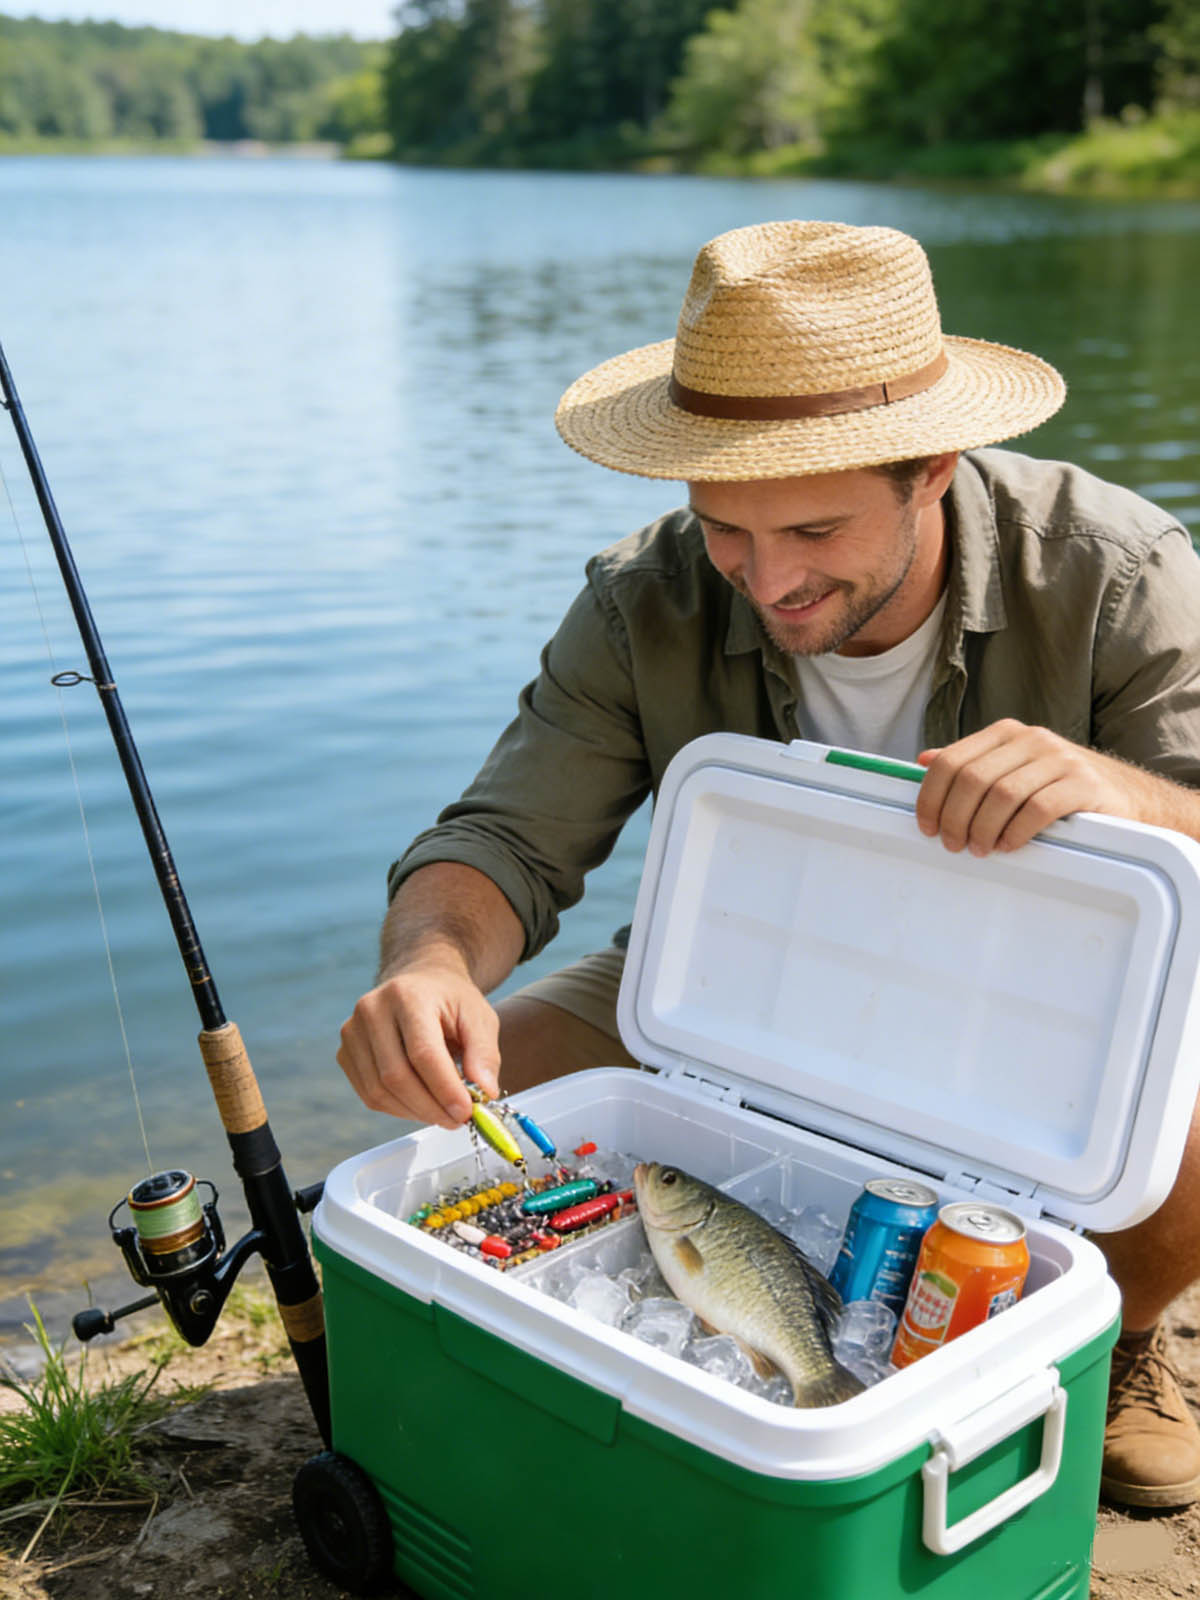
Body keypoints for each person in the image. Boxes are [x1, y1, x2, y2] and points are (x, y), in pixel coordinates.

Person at [337, 220, 1200, 1509]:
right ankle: (597, 1347)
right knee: (474, 1105)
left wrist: (1123, 795)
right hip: (737, 988)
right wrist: (430, 965)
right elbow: (503, 840)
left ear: (933, 469)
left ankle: (1117, 1339)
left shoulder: (1116, 572)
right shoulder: (647, 596)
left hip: (1033, 1013)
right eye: (725, 529)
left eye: (811, 528)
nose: (768, 580)